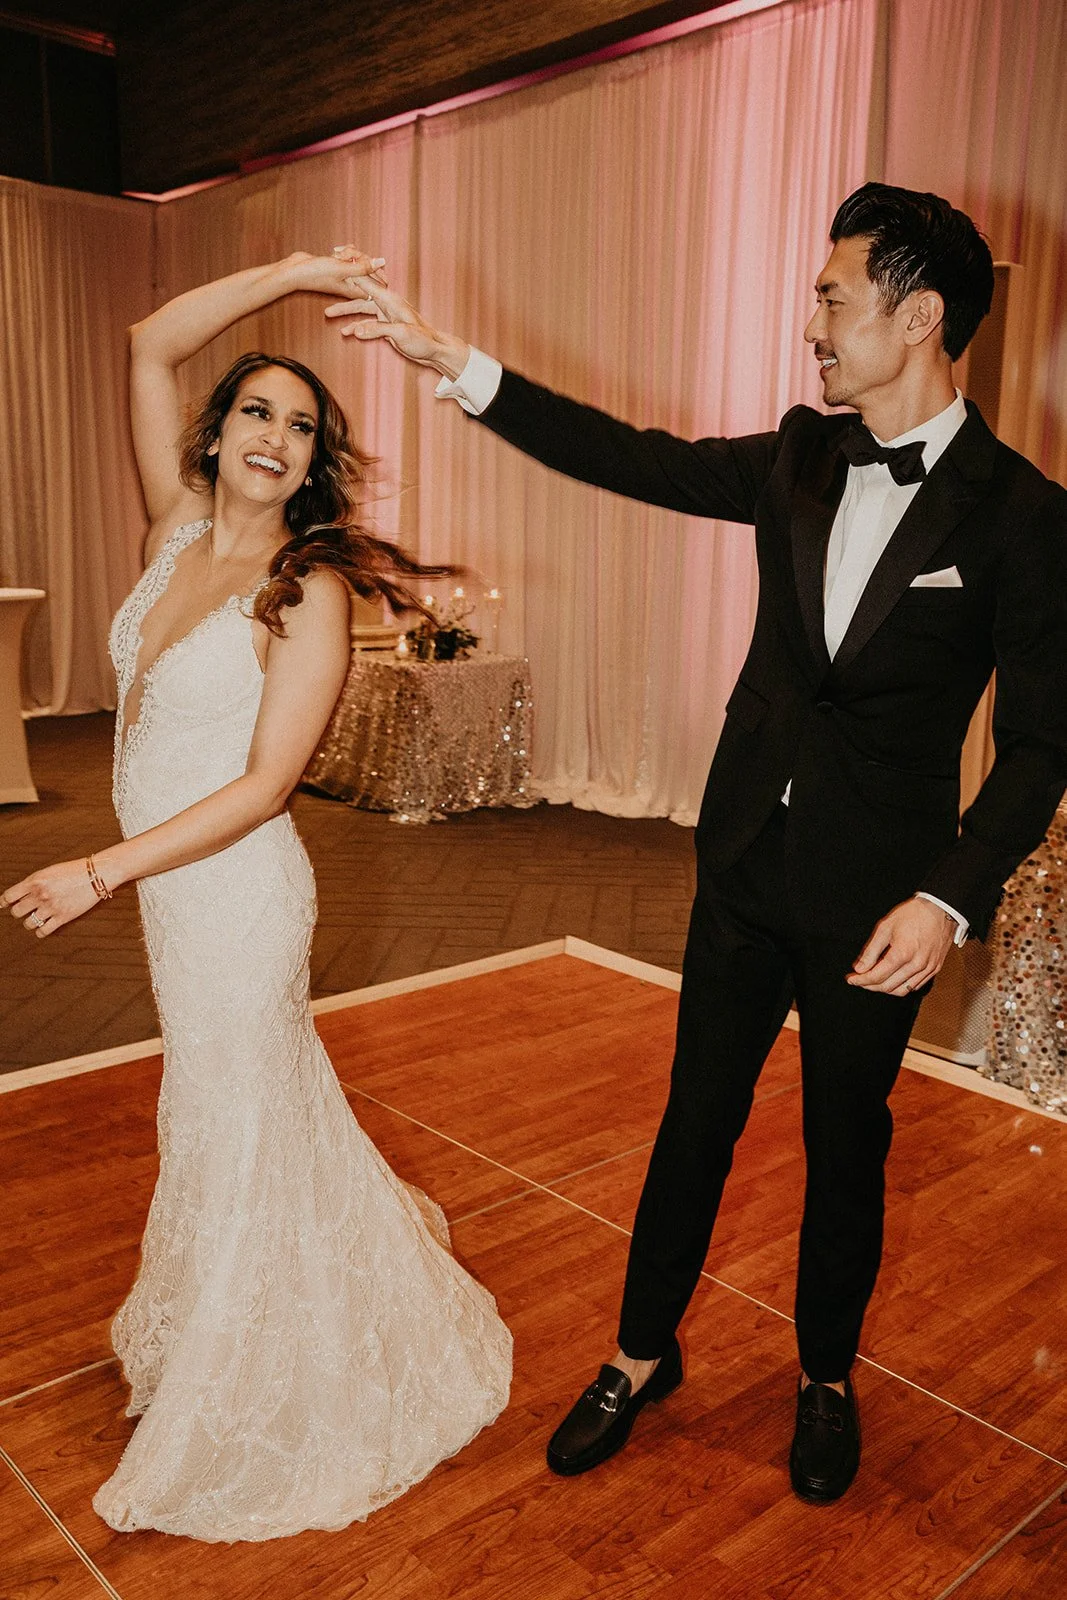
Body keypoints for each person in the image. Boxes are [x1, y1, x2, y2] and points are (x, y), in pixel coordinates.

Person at [325, 183, 1067, 1503]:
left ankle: (825, 1377)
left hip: (878, 907)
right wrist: (457, 366)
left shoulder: (1021, 516)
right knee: (692, 1126)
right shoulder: (796, 457)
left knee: (848, 1148)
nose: (810, 328)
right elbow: (628, 452)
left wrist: (946, 900)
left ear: (918, 314)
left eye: (832, 299)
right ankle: (635, 1353)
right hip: (740, 869)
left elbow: (1041, 747)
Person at [1, 251, 512, 1542]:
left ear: (311, 463)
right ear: (217, 434)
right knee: (232, 1106)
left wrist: (100, 867)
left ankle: (245, 1377)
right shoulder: (171, 533)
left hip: (231, 891)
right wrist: (294, 272)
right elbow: (145, 337)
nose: (278, 437)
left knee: (229, 1112)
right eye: (258, 412)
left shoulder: (313, 590)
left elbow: (269, 783)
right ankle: (225, 1328)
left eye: (302, 425)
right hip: (178, 898)